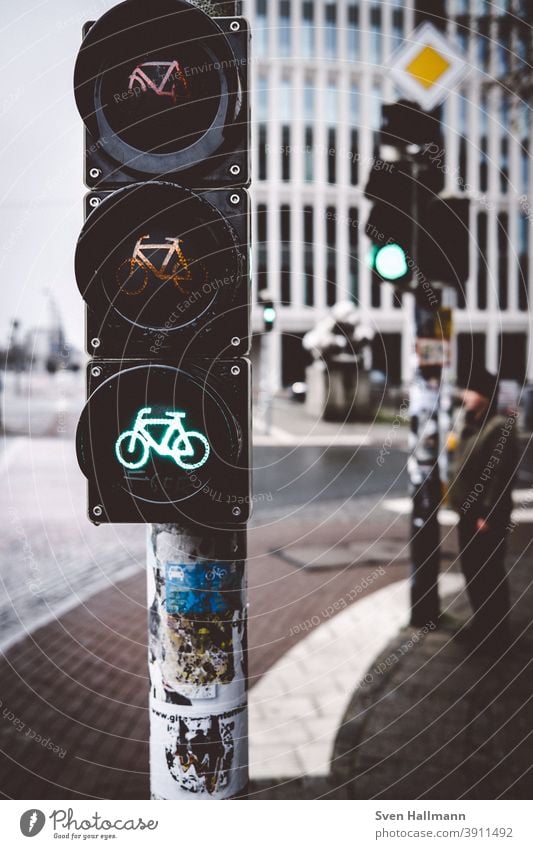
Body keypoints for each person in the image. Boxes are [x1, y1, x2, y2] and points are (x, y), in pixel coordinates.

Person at [448, 366, 518, 651]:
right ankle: (482, 625)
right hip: (467, 513)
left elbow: (500, 475)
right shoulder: (471, 423)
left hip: (484, 517)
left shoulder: (499, 427)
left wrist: (488, 513)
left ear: (485, 395)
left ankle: (496, 633)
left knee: (488, 572)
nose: (464, 395)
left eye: (470, 391)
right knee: (472, 571)